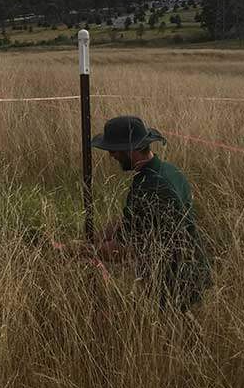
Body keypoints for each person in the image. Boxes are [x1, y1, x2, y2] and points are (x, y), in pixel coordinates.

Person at [90, 115, 212, 311]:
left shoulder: (149, 186)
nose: (110, 155)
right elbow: (132, 221)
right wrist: (97, 237)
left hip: (176, 280)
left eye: (114, 150)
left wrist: (84, 250)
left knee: (172, 336)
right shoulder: (168, 170)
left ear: (133, 149)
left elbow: (123, 248)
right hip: (188, 271)